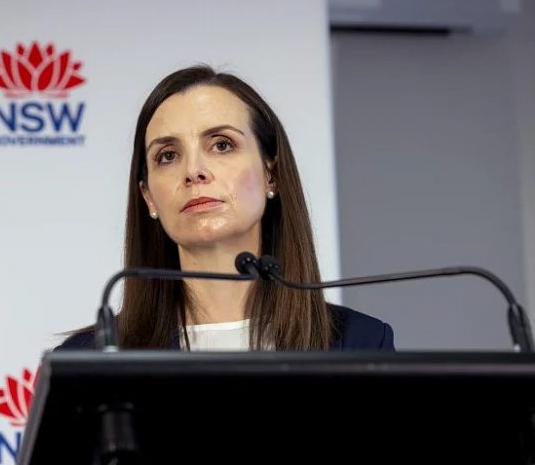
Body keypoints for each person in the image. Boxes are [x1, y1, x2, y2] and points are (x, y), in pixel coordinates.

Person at [57, 64, 394, 352]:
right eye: (168, 156)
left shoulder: (360, 342)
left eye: (221, 145)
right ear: (148, 197)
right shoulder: (88, 358)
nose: (194, 171)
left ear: (271, 174)